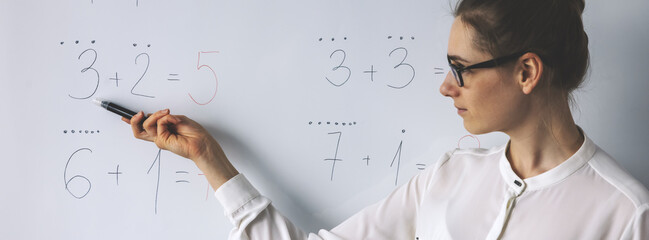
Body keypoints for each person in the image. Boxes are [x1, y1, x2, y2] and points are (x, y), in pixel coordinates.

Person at [123, 0, 649, 239]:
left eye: (460, 70)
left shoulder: (625, 214)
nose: (446, 86)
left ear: (527, 71)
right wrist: (208, 159)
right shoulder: (450, 176)